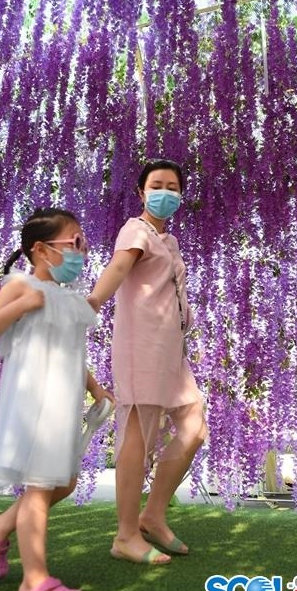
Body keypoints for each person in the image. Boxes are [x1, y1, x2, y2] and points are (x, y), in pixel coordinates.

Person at [0, 207, 113, 591]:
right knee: (39, 489)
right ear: (41, 249)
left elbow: (69, 353)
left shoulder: (68, 299)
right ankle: (34, 583)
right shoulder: (22, 285)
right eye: (74, 243)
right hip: (32, 402)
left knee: (63, 484)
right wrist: (22, 305)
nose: (81, 252)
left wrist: (95, 387)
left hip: (61, 405)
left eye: (83, 244)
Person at [88, 159, 208, 565]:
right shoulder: (135, 230)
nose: (165, 193)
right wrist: (92, 302)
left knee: (194, 426)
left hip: (171, 350)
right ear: (141, 192)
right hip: (142, 345)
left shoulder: (168, 240)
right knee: (138, 436)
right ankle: (125, 536)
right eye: (157, 185)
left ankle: (153, 515)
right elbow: (119, 267)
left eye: (173, 187)